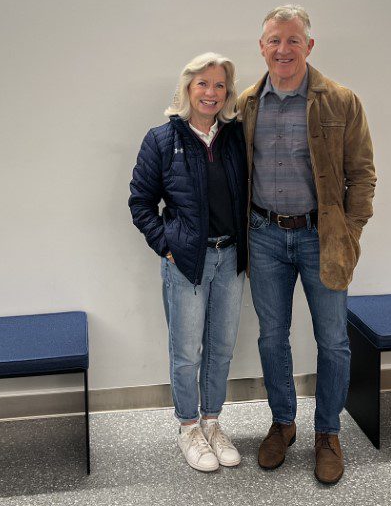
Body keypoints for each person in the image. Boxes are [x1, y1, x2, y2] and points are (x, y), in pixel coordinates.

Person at [237, 5, 376, 484]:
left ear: (309, 46)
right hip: (265, 237)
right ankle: (283, 423)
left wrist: (348, 231)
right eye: (275, 40)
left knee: (333, 341)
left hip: (322, 238)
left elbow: (362, 176)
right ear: (262, 47)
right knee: (272, 337)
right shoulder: (246, 105)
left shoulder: (341, 101)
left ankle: (328, 433)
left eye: (293, 40)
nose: (283, 49)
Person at [129, 52, 249, 472]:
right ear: (187, 89)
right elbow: (141, 203)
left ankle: (213, 423)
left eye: (219, 85)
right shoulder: (161, 139)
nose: (211, 93)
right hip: (186, 263)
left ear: (227, 92)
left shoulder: (235, 137)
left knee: (221, 347)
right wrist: (168, 246)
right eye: (202, 84)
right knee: (186, 351)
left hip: (230, 257)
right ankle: (188, 428)